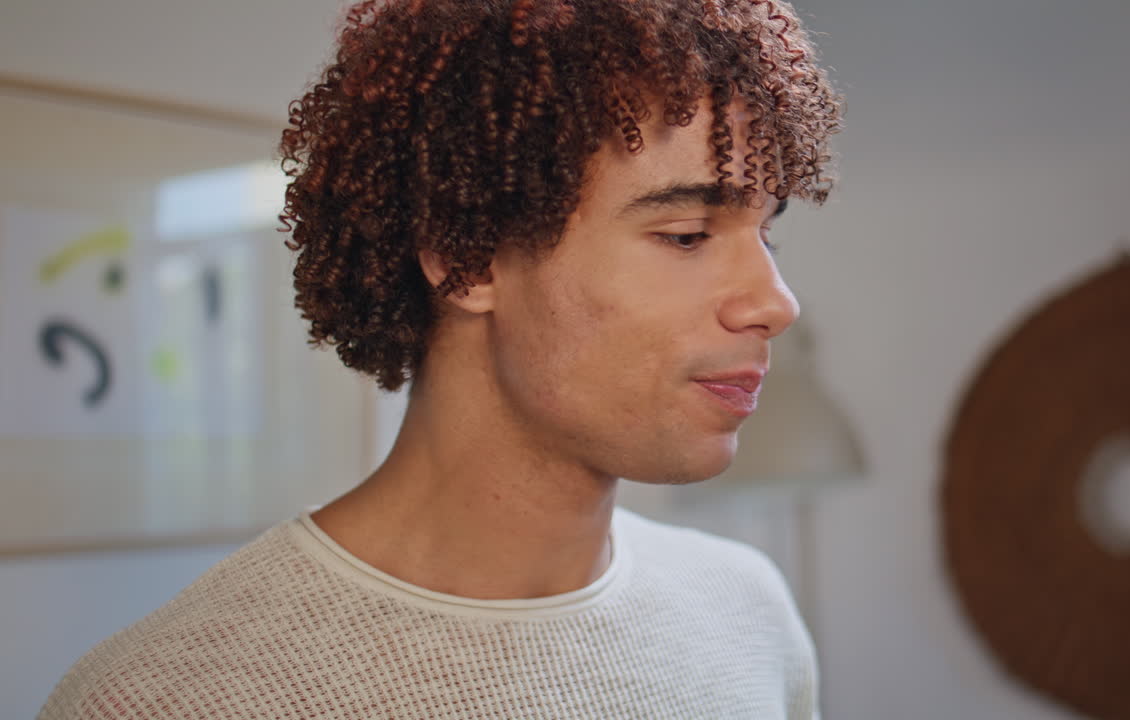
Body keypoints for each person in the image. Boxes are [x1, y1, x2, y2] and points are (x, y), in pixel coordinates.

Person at [39, 0, 842, 717]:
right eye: (688, 236)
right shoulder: (172, 698)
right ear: (468, 261)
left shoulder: (749, 616)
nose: (775, 303)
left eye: (765, 235)